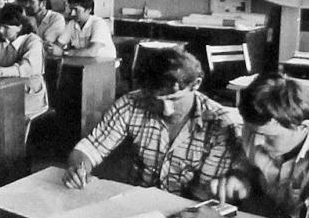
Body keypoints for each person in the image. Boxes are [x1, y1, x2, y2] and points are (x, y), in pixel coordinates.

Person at [168, 73, 309, 218]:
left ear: (303, 127)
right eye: (251, 131)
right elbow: (251, 169)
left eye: (269, 137)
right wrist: (241, 178)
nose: (256, 143)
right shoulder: (259, 131)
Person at [62, 47, 237, 198]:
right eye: (156, 101)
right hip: (136, 204)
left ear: (196, 84)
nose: (167, 110)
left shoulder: (219, 125)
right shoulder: (132, 103)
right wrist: (78, 169)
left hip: (188, 211)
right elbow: (89, 148)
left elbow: (204, 196)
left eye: (174, 99)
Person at [0, 3, 48, 117]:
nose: (0, 30)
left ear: (19, 27)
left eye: (6, 27)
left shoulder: (33, 41)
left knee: (2, 115)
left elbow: (26, 69)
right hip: (3, 91)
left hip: (29, 95)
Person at [48, 0, 116, 58]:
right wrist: (51, 47)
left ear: (88, 10)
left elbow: (92, 52)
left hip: (105, 62)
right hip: (84, 61)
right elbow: (59, 45)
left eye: (76, 10)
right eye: (71, 9)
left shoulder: (98, 23)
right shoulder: (72, 24)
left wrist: (64, 52)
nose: (72, 13)